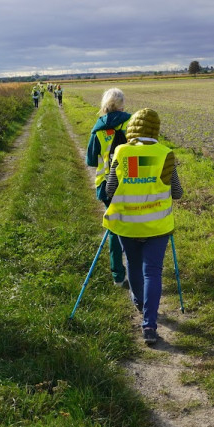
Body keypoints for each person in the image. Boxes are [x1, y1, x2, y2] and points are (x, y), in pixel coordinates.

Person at [103, 108, 183, 346]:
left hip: (127, 226)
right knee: (153, 272)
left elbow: (110, 190)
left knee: (134, 267)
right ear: (155, 129)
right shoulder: (166, 154)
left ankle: (138, 301)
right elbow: (177, 193)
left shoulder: (121, 152)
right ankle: (149, 325)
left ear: (132, 129)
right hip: (157, 228)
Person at [86, 88, 131, 288]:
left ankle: (118, 276)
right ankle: (137, 270)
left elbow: (90, 160)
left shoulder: (97, 129)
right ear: (122, 104)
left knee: (113, 229)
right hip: (129, 183)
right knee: (132, 226)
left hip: (105, 185)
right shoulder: (130, 123)